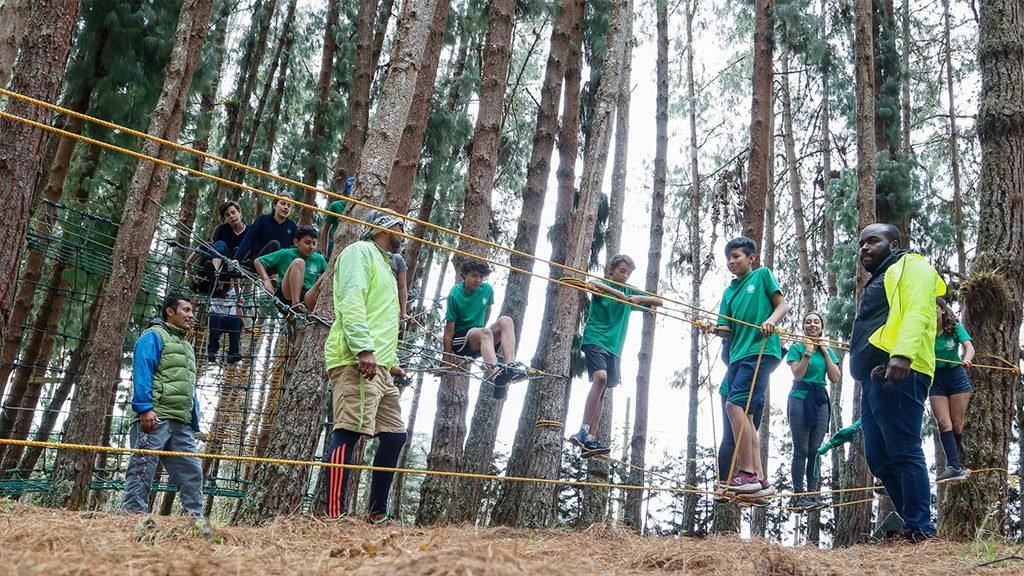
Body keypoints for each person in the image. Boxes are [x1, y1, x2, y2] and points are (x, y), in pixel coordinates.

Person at [850, 222, 945, 542]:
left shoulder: (912, 266)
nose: (864, 247)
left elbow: (918, 311)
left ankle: (921, 528)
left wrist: (902, 354)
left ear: (894, 245)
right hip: (873, 375)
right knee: (878, 456)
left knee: (904, 450)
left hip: (902, 370)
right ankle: (913, 523)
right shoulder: (881, 277)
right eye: (861, 243)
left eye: (873, 241)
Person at [323, 209, 408, 521]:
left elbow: (381, 317)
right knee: (349, 431)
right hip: (357, 360)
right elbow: (352, 300)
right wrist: (362, 349)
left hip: (381, 367)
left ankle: (376, 513)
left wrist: (393, 363)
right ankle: (335, 515)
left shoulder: (385, 265)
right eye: (401, 225)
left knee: (395, 435)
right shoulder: (359, 252)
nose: (405, 231)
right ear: (384, 226)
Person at [122, 293, 213, 540]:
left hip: (181, 422)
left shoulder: (186, 344)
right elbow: (143, 371)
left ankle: (195, 524)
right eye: (185, 310)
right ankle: (133, 520)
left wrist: (193, 419)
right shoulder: (152, 336)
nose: (191, 315)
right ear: (169, 312)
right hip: (155, 416)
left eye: (192, 311)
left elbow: (188, 385)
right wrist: (144, 408)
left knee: (193, 471)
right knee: (142, 470)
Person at [706, 236, 788, 499]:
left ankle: (748, 474)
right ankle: (760, 480)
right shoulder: (729, 291)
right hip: (738, 355)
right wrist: (713, 328)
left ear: (751, 258)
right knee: (747, 416)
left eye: (737, 256)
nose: (731, 262)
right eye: (729, 258)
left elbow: (782, 304)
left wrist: (771, 322)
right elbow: (727, 330)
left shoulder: (762, 275)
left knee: (733, 405)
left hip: (760, 350)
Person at [568, 255, 662, 457]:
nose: (625, 275)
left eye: (628, 273)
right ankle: (583, 429)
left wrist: (638, 298)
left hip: (615, 347)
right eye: (622, 271)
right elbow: (591, 282)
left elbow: (658, 301)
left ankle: (590, 439)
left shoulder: (630, 292)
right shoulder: (603, 286)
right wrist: (617, 293)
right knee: (600, 378)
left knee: (603, 389)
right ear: (611, 269)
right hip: (595, 338)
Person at [443, 259, 527, 399]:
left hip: (480, 337)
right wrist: (446, 359)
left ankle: (509, 366)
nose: (478, 280)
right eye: (474, 276)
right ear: (464, 275)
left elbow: (487, 311)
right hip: (461, 342)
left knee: (506, 320)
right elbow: (449, 331)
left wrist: (483, 333)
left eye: (481, 277)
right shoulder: (455, 295)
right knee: (485, 332)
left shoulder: (487, 290)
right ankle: (497, 375)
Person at [785, 312, 841, 510]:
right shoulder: (796, 348)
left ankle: (813, 494)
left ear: (822, 326)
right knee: (800, 449)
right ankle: (800, 495)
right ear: (803, 326)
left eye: (816, 322)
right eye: (808, 322)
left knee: (815, 451)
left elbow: (835, 377)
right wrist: (808, 353)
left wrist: (825, 352)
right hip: (800, 397)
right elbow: (798, 375)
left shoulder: (827, 351)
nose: (812, 325)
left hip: (820, 400)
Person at [931, 297, 974, 483]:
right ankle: (953, 466)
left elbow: (969, 347)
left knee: (956, 424)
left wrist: (967, 359)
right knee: (943, 422)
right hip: (935, 378)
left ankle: (956, 465)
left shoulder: (954, 328)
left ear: (941, 310)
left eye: (933, 308)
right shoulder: (925, 331)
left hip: (956, 376)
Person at [253, 225, 328, 313]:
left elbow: (330, 275)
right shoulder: (285, 254)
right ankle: (295, 304)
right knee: (299, 262)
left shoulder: (319, 259)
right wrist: (266, 280)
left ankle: (311, 310)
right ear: (296, 242)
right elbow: (258, 261)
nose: (311, 247)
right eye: (307, 243)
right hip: (286, 296)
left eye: (314, 243)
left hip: (307, 297)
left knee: (329, 272)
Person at [190, 201, 248, 295]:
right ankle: (211, 274)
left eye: (233, 212)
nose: (231, 216)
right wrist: (188, 264)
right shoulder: (222, 229)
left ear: (239, 212)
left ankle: (219, 282)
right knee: (218, 244)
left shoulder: (249, 231)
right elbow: (213, 247)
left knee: (236, 251)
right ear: (225, 218)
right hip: (217, 260)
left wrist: (238, 293)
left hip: (232, 266)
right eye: (227, 215)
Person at [234, 198, 298, 265]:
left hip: (279, 267)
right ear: (274, 205)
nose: (286, 207)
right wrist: (237, 258)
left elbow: (297, 247)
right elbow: (249, 239)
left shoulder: (292, 226)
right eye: (283, 204)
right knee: (274, 244)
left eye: (289, 206)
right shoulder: (263, 220)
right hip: (259, 262)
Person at [206, 287, 243, 364]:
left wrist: (244, 324)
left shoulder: (237, 290)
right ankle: (212, 351)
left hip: (230, 319)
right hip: (215, 317)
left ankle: (233, 353)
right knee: (215, 318)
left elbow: (239, 308)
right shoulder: (214, 287)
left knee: (237, 320)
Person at [319, 176, 353, 258]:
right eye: (350, 192)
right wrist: (323, 252)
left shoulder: (364, 208)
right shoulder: (337, 205)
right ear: (345, 193)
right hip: (335, 244)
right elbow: (325, 228)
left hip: (354, 246)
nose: (353, 195)